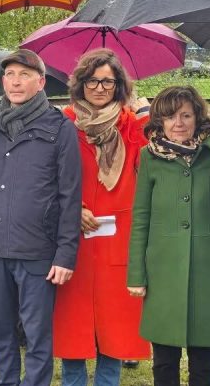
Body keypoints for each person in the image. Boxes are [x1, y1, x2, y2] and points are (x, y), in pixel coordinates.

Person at [0, 49, 82, 386]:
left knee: (38, 334)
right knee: (1, 330)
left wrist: (65, 253)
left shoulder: (60, 128)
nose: (16, 81)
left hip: (37, 250)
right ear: (2, 81)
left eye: (25, 75)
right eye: (10, 74)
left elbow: (70, 196)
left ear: (40, 82)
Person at [52, 49, 151, 386]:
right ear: (81, 83)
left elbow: (157, 148)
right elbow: (49, 175)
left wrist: (148, 112)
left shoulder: (130, 124)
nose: (99, 87)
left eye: (107, 81)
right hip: (74, 236)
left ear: (118, 85)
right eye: (92, 80)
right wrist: (73, 209)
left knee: (115, 324)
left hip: (119, 236)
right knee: (73, 323)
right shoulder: (63, 122)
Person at [128, 85, 210, 386]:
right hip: (162, 270)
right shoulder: (148, 157)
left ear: (198, 118)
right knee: (164, 361)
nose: (179, 123)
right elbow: (141, 218)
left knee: (204, 363)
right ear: (159, 120)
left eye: (186, 115)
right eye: (170, 116)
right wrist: (136, 274)